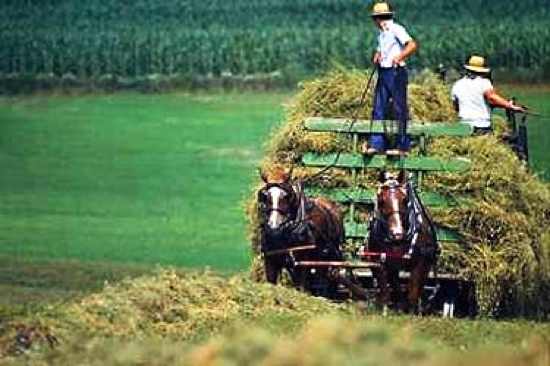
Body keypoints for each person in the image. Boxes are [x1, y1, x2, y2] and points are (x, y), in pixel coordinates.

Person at [363, 2, 418, 156]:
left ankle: (403, 146)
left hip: (396, 72)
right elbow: (382, 50)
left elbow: (412, 44)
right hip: (384, 71)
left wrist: (399, 57)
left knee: (399, 108)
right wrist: (378, 55)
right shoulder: (382, 34)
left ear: (378, 18)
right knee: (378, 107)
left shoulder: (396, 29)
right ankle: (376, 144)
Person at [452, 55, 525, 134]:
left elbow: (456, 106)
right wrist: (510, 106)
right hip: (481, 126)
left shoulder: (457, 84)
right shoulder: (484, 83)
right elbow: (492, 98)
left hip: (464, 126)